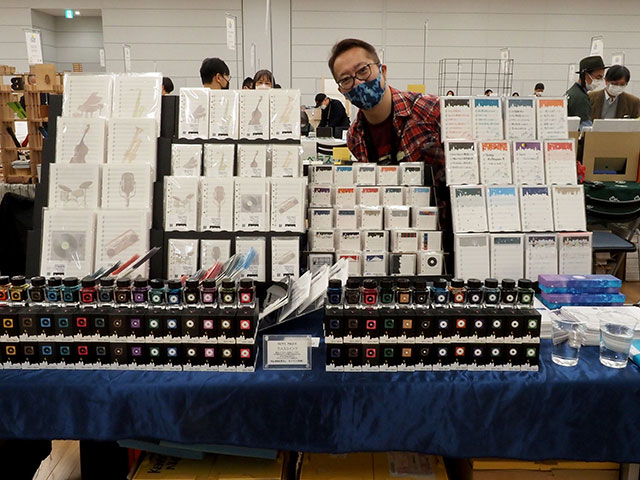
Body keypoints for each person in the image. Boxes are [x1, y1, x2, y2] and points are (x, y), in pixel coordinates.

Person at [327, 38, 443, 180]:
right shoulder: (355, 137)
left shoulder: (431, 110)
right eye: (346, 79)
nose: (357, 82)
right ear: (342, 92)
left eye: (363, 70)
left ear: (383, 71)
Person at [566, 55, 606, 128]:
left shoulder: (572, 92)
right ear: (586, 75)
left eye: (602, 78)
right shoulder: (580, 98)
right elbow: (585, 128)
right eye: (598, 77)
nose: (600, 81)